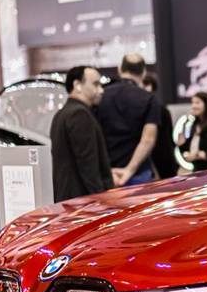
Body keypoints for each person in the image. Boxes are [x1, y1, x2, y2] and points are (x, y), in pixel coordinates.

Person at [96, 53, 161, 186]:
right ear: (143, 73)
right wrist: (129, 170)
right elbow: (148, 139)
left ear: (120, 69)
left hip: (108, 174)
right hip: (139, 174)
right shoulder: (149, 99)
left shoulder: (101, 96)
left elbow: (94, 136)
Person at [49, 65, 111, 202]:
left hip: (69, 199)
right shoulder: (79, 114)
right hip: (83, 201)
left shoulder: (62, 114)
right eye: (95, 84)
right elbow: (88, 166)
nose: (101, 90)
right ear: (77, 85)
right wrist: (103, 201)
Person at [141, 73, 178, 178]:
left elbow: (166, 138)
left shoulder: (158, 107)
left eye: (146, 85)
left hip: (161, 156)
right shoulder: (156, 106)